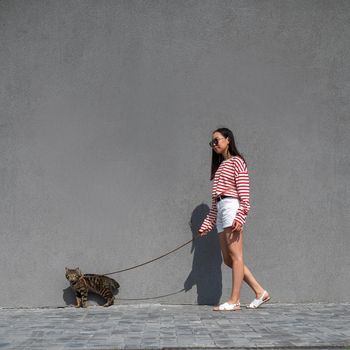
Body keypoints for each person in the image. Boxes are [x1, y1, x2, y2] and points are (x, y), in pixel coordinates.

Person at [198, 127, 270, 311]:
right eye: (211, 142)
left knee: (237, 257)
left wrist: (241, 214)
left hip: (231, 207)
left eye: (217, 140)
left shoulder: (237, 162)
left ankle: (234, 300)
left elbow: (244, 193)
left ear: (228, 139)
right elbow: (215, 202)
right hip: (222, 210)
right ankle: (260, 291)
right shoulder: (220, 166)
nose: (214, 145)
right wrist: (206, 224)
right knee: (228, 260)